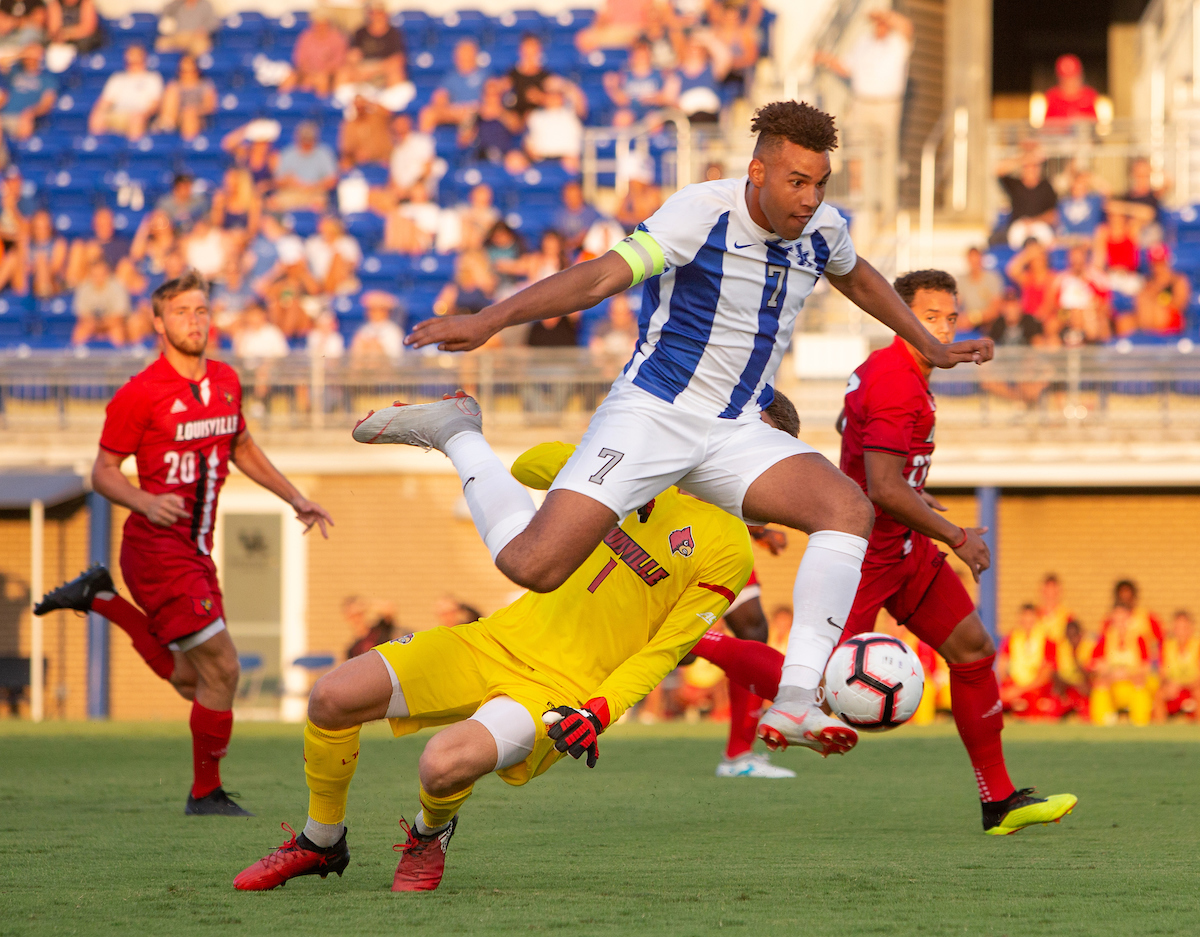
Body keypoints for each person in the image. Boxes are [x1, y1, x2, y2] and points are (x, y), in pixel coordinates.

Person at [360, 100, 994, 760]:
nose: (810, 198)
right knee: (533, 566)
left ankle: (799, 699)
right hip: (652, 415)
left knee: (847, 508)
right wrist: (492, 317)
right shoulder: (702, 210)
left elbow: (856, 273)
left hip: (735, 429)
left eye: (820, 183)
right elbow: (601, 275)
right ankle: (459, 432)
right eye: (796, 182)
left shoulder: (824, 228)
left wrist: (929, 343)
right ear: (758, 172)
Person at [232, 431, 755, 892]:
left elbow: (664, 651)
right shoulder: (642, 478)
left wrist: (600, 711)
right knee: (331, 698)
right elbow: (529, 465)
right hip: (492, 640)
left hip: (559, 691)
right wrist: (621, 472)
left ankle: (429, 834)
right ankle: (322, 840)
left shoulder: (730, 546)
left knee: (440, 766)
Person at [690, 269, 1076, 832]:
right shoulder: (897, 378)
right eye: (930, 317)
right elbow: (882, 487)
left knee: (973, 650)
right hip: (864, 554)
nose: (943, 328)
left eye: (950, 317)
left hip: (903, 546)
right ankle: (697, 639)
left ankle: (999, 802)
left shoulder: (896, 369)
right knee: (809, 686)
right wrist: (958, 537)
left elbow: (879, 463)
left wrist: (917, 498)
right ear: (900, 314)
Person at [34, 271, 332, 816]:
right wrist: (145, 501)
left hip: (196, 550)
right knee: (225, 669)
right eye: (181, 312)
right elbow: (102, 472)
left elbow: (241, 444)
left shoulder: (224, 380)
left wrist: (295, 497)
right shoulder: (140, 393)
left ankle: (101, 600)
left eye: (201, 311)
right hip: (155, 548)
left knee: (194, 681)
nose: (194, 322)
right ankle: (204, 795)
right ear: (157, 322)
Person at [814, 8, 912, 221]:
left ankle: (887, 206)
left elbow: (907, 27)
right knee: (862, 154)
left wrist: (884, 14)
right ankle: (867, 205)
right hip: (863, 102)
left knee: (886, 155)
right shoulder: (863, 43)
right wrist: (825, 59)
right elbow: (846, 67)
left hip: (887, 104)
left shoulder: (898, 43)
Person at [1090, 606, 1152, 726]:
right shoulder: (1105, 638)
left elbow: (1146, 667)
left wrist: (1127, 674)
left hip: (1132, 686)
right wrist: (1112, 674)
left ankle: (1139, 721)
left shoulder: (1138, 639)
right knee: (1099, 684)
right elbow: (1096, 665)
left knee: (1141, 683)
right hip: (1112, 687)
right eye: (1117, 620)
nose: (1120, 624)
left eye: (1123, 620)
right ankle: (1103, 721)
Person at [88, 44, 163, 141]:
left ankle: (133, 151)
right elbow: (105, 101)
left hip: (139, 115)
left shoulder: (152, 78)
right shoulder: (117, 78)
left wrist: (143, 114)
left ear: (143, 56)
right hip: (118, 114)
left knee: (136, 120)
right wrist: (100, 110)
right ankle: (96, 149)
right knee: (98, 116)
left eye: (135, 54)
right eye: (129, 54)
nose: (131, 57)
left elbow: (155, 104)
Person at [998, 604, 1060, 718]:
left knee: (1045, 704)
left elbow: (1046, 675)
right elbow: (1002, 667)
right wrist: (1010, 689)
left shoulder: (1046, 639)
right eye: (1024, 619)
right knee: (995, 697)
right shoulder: (1012, 637)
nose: (1027, 623)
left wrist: (1019, 691)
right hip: (1015, 685)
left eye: (1030, 619)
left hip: (1035, 689)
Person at [1043, 245, 1110, 345]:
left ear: (1085, 259)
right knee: (1051, 326)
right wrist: (1069, 315)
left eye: (1080, 259)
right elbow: (1052, 306)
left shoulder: (1096, 278)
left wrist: (1086, 313)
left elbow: (1105, 306)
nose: (1077, 263)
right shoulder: (1060, 279)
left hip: (1090, 314)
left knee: (1099, 325)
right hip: (1065, 315)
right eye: (1074, 260)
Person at [994, 143, 1057, 249]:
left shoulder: (1046, 187)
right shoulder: (1015, 185)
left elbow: (1053, 216)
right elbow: (998, 170)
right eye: (1028, 166)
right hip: (1018, 227)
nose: (1031, 169)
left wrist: (1034, 221)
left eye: (1034, 166)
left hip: (1039, 226)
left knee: (1048, 243)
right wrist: (1023, 158)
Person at [418, 38, 487, 133]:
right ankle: (424, 144)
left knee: (469, 116)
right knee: (427, 113)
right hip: (455, 111)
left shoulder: (484, 75)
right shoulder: (450, 77)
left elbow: (491, 99)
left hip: (477, 111)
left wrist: (473, 110)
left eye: (466, 54)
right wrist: (448, 109)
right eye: (460, 55)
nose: (463, 58)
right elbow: (439, 98)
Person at [338, 1, 406, 91]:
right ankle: (343, 102)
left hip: (383, 68)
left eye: (380, 13)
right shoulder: (360, 32)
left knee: (396, 74)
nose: (377, 16)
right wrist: (358, 67)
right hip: (363, 67)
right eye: (373, 13)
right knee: (344, 73)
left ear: (386, 15)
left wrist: (375, 69)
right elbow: (353, 55)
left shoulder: (394, 33)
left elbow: (398, 59)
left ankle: (389, 103)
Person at [271, 122, 338, 212]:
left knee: (320, 204)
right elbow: (278, 181)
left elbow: (332, 180)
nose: (306, 143)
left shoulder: (324, 153)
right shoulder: (287, 153)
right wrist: (290, 181)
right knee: (273, 203)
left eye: (309, 139)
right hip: (292, 192)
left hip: (315, 193)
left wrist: (314, 185)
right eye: (304, 139)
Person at [71, 259, 133, 346]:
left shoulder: (117, 286)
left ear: (107, 273)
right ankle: (76, 356)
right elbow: (82, 315)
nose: (99, 278)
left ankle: (119, 357)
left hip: (111, 325)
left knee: (118, 331)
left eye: (102, 274)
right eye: (95, 275)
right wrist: (95, 324)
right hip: (91, 324)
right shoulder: (84, 288)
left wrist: (102, 324)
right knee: (80, 332)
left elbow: (120, 316)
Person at [0, 44, 56, 141]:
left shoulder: (47, 79)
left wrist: (31, 113)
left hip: (23, 118)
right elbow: (2, 63)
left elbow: (47, 102)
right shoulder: (15, 72)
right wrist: (21, 54)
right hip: (3, 115)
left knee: (25, 128)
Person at [288, 9, 348, 98]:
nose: (320, 27)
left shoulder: (337, 38)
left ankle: (322, 108)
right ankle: (284, 105)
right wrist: (308, 71)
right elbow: (300, 58)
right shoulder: (306, 37)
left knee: (321, 80)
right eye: (317, 23)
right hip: (307, 72)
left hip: (327, 74)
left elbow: (338, 61)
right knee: (290, 79)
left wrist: (321, 72)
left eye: (323, 24)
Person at [157, 54, 216, 141]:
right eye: (184, 71)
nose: (187, 75)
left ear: (197, 70)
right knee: (172, 92)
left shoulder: (205, 85)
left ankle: (188, 148)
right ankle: (166, 128)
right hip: (176, 116)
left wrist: (193, 110)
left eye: (190, 71)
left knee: (189, 116)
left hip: (197, 117)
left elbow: (209, 106)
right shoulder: (174, 86)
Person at [1134, 244, 1190, 336]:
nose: (1158, 267)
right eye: (1155, 264)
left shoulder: (1177, 280)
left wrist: (1160, 294)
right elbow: (1141, 305)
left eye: (1161, 263)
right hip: (1149, 323)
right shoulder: (1148, 283)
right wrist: (1156, 288)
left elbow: (1180, 305)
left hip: (1171, 323)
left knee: (1157, 310)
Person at [1154, 611, 1199, 722]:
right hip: (1172, 686)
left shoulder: (1197, 645)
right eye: (1178, 628)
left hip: (1193, 687)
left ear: (1190, 628)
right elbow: (1162, 672)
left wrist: (1188, 684)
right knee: (1159, 694)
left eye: (1184, 628)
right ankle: (1160, 730)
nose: (1181, 632)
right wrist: (1169, 683)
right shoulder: (1166, 646)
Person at [350, 289, 403, 361]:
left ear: (386, 311)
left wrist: (376, 347)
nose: (374, 313)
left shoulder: (393, 331)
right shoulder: (363, 329)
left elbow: (394, 356)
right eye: (371, 310)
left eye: (378, 310)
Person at [957, 246, 1002, 329]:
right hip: (968, 323)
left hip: (989, 324)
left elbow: (995, 309)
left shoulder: (992, 278)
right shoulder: (962, 280)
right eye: (971, 259)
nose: (974, 262)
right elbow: (956, 304)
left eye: (976, 258)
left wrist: (973, 319)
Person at [1044, 54, 1098, 122]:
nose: (1070, 83)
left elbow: (1095, 123)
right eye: (1066, 79)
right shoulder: (1053, 96)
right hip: (1058, 132)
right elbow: (1047, 124)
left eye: (1073, 78)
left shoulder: (1089, 95)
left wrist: (1081, 118)